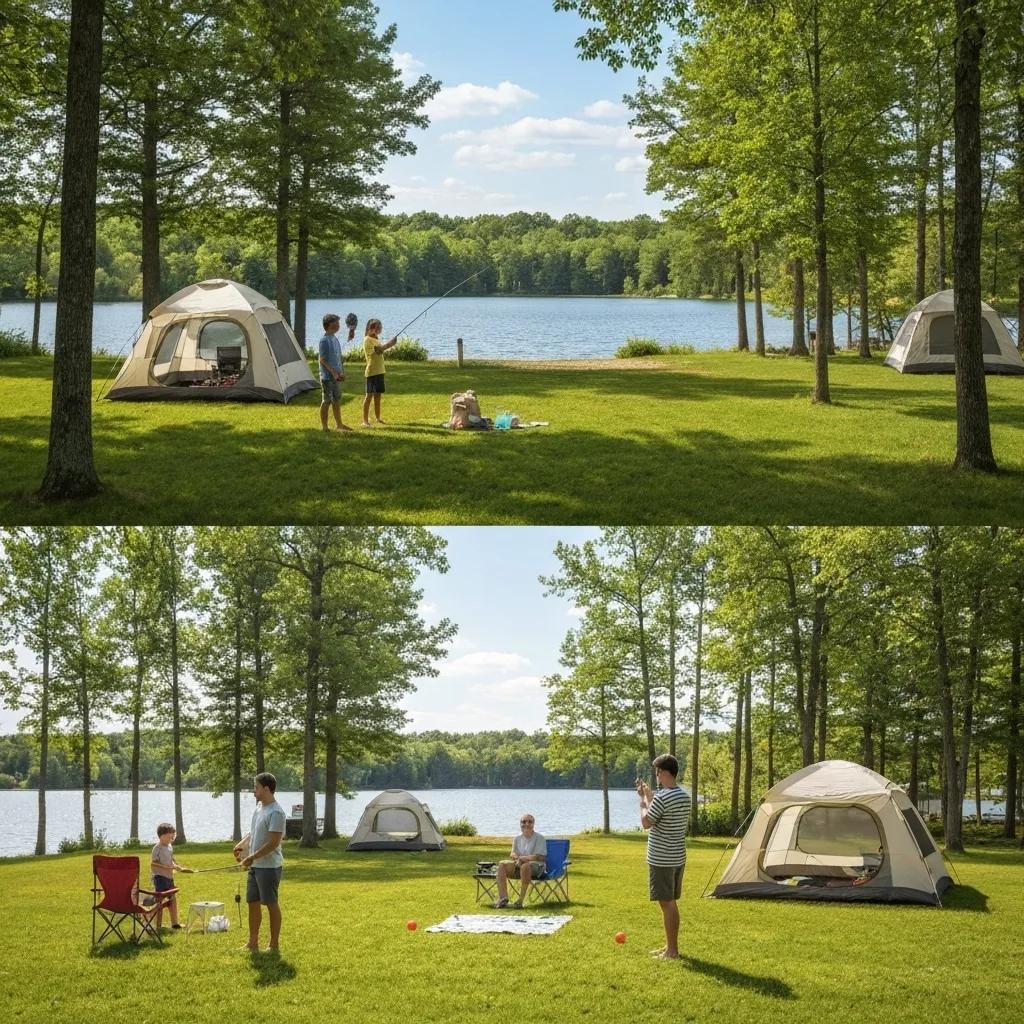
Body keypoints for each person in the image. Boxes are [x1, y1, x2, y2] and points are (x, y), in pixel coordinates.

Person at [637, 754, 691, 960]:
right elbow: (661, 811)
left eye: (657, 772)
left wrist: (642, 802)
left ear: (663, 772)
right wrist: (648, 796)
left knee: (667, 903)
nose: (656, 776)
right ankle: (670, 945)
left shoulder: (662, 798)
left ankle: (672, 951)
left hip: (661, 859)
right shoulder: (682, 796)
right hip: (677, 857)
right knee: (670, 902)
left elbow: (646, 822)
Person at [233, 772, 286, 952]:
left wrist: (251, 857)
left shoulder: (276, 812)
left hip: (269, 867)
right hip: (255, 867)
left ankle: (274, 944)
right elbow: (253, 832)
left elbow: (273, 842)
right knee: (252, 903)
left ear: (266, 788)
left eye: (256, 787)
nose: (253, 790)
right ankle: (252, 942)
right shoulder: (259, 808)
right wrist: (241, 845)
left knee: (271, 904)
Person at [493, 813, 546, 909]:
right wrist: (518, 859)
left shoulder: (540, 838)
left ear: (533, 824)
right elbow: (512, 854)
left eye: (530, 822)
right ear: (520, 824)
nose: (526, 824)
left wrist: (523, 859)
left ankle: (520, 900)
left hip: (537, 867)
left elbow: (540, 857)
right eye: (523, 822)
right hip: (519, 864)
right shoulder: (517, 838)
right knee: (502, 864)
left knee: (525, 866)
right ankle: (503, 898)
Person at [150, 822, 193, 931]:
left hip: (169, 878)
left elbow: (171, 860)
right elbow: (153, 863)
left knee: (173, 899)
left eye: (173, 835)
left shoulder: (169, 846)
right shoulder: (157, 848)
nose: (173, 838)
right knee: (160, 901)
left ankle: (175, 923)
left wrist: (177, 867)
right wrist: (165, 867)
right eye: (171, 836)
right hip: (160, 878)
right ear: (162, 836)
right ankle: (156, 924)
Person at [318, 312, 354, 432]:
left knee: (336, 400)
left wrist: (341, 372)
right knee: (327, 400)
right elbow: (322, 360)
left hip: (337, 376)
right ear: (329, 324)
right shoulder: (324, 340)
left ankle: (339, 425)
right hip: (327, 377)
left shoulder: (335, 339)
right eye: (337, 323)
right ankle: (324, 427)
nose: (339, 325)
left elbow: (338, 358)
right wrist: (333, 373)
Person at [361, 317, 398, 426]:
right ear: (369, 328)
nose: (377, 330)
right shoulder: (367, 340)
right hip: (372, 372)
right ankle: (365, 421)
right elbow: (378, 351)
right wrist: (390, 344)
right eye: (374, 328)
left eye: (379, 328)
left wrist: (389, 344)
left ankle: (378, 418)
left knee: (378, 396)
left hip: (380, 371)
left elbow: (380, 350)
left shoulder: (376, 339)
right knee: (369, 396)